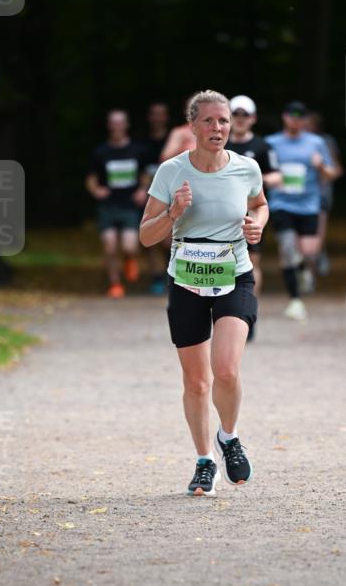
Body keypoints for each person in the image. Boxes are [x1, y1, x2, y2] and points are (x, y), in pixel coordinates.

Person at [140, 89, 268, 496]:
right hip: (187, 282)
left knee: (226, 370)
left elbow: (261, 204)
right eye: (209, 121)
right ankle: (203, 462)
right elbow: (146, 236)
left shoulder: (247, 168)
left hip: (235, 277)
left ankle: (228, 437)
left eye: (224, 121)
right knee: (197, 382)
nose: (218, 128)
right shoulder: (171, 171)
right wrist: (173, 213)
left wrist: (258, 224)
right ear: (192, 126)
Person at [265, 101, 337, 320]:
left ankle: (304, 268)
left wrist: (320, 166)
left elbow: (332, 174)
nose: (295, 119)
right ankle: (295, 300)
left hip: (309, 205)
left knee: (308, 252)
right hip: (281, 204)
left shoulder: (316, 143)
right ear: (284, 117)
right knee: (287, 248)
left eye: (300, 116)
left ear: (305, 119)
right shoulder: (271, 142)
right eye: (291, 115)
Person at [226, 95, 282, 337]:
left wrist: (254, 181)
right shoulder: (219, 144)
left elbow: (277, 176)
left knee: (252, 262)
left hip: (250, 212)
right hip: (223, 213)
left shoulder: (262, 147)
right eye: (235, 114)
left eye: (244, 115)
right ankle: (224, 313)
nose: (239, 119)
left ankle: (248, 311)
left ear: (253, 119)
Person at [85, 109, 148, 298]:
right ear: (109, 125)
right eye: (114, 122)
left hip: (129, 206)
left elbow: (145, 175)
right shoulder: (101, 152)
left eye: (121, 122)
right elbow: (91, 178)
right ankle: (115, 284)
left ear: (126, 125)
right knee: (110, 246)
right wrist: (96, 190)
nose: (117, 126)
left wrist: (142, 190)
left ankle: (130, 260)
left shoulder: (137, 150)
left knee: (130, 246)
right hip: (108, 205)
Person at [304, 110, 344, 276]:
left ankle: (310, 270)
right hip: (299, 195)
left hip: (321, 194)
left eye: (308, 125)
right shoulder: (295, 141)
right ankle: (316, 258)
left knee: (317, 232)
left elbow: (337, 169)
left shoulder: (326, 142)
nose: (304, 128)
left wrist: (322, 169)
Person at [142, 101, 171, 295]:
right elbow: (140, 171)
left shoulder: (175, 139)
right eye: (154, 114)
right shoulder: (142, 143)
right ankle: (157, 279)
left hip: (172, 195)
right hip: (150, 194)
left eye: (161, 114)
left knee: (169, 240)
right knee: (152, 238)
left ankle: (173, 276)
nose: (157, 118)